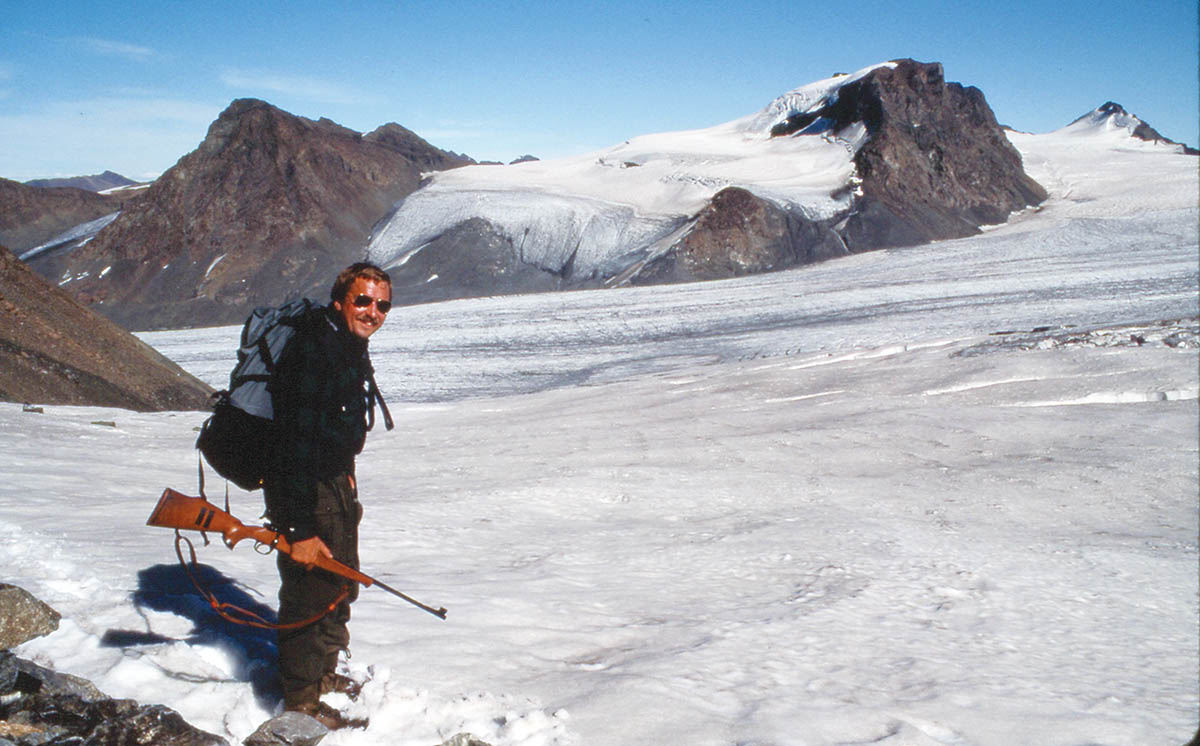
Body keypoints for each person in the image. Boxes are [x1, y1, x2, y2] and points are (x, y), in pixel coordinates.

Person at [262, 262, 393, 729]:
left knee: (340, 580)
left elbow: (332, 429)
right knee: (308, 592)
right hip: (305, 488)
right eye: (363, 300)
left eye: (381, 304)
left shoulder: (347, 348)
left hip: (334, 483)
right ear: (339, 302)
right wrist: (297, 527)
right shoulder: (314, 352)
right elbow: (291, 444)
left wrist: (346, 476)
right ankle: (301, 701)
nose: (373, 312)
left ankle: (322, 672)